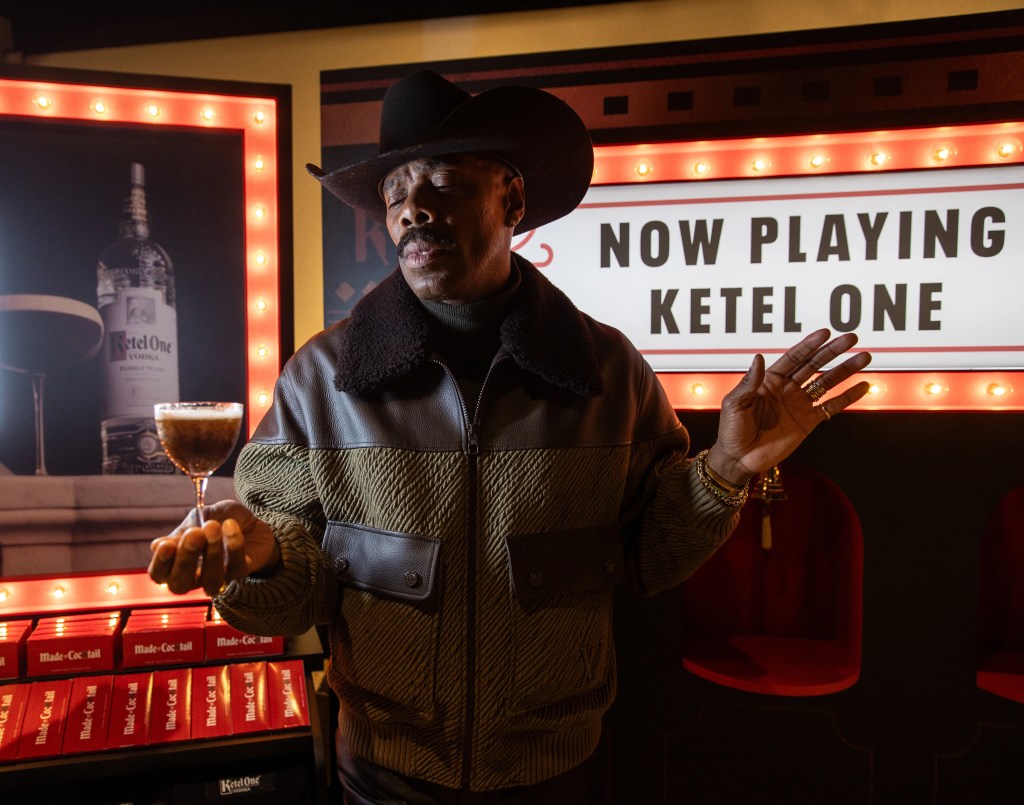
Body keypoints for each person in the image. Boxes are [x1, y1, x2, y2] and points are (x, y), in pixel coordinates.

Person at [149, 70, 871, 803]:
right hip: (382, 775)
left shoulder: (608, 372)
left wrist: (726, 466)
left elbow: (653, 552)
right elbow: (295, 595)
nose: (413, 211)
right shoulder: (321, 377)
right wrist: (260, 553)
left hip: (553, 773)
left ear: (512, 199)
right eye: (397, 194)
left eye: (444, 184)